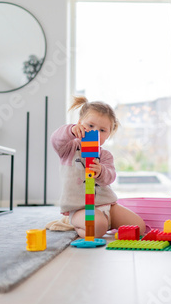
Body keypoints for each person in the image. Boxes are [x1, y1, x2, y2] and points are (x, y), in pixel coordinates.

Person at [51, 95, 146, 238]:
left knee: (139, 227)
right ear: (79, 124)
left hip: (108, 206)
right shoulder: (69, 148)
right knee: (98, 228)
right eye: (90, 126)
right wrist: (71, 131)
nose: (95, 132)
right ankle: (76, 224)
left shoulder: (105, 155)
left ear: (109, 134)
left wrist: (101, 171)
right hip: (80, 208)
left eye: (103, 130)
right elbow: (55, 139)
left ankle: (107, 223)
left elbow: (111, 177)